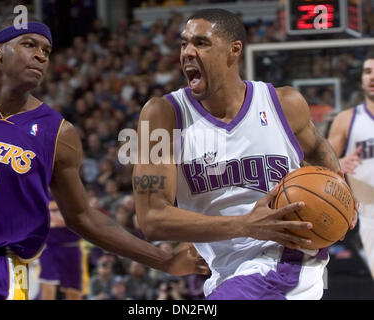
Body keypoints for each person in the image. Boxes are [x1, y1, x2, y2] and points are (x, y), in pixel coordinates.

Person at [0, 16, 208, 300]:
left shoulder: (58, 132)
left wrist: (164, 260)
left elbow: (83, 216)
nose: (40, 56)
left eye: (46, 51)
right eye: (29, 44)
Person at [133, 8, 357, 300]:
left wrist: (342, 193)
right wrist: (244, 225)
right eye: (183, 43)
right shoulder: (162, 116)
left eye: (200, 43)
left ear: (233, 50)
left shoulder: (284, 103)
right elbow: (151, 218)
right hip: (226, 274)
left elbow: (316, 148)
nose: (187, 52)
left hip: (285, 259)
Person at [327, 52, 374, 278]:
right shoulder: (346, 119)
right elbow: (321, 166)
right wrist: (339, 163)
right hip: (367, 213)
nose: (372, 77)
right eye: (367, 72)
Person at [38, 199, 89, 300]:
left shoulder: (71, 190)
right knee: (48, 284)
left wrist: (51, 218)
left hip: (71, 247)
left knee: (73, 291)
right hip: (49, 247)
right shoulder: (41, 190)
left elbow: (78, 218)